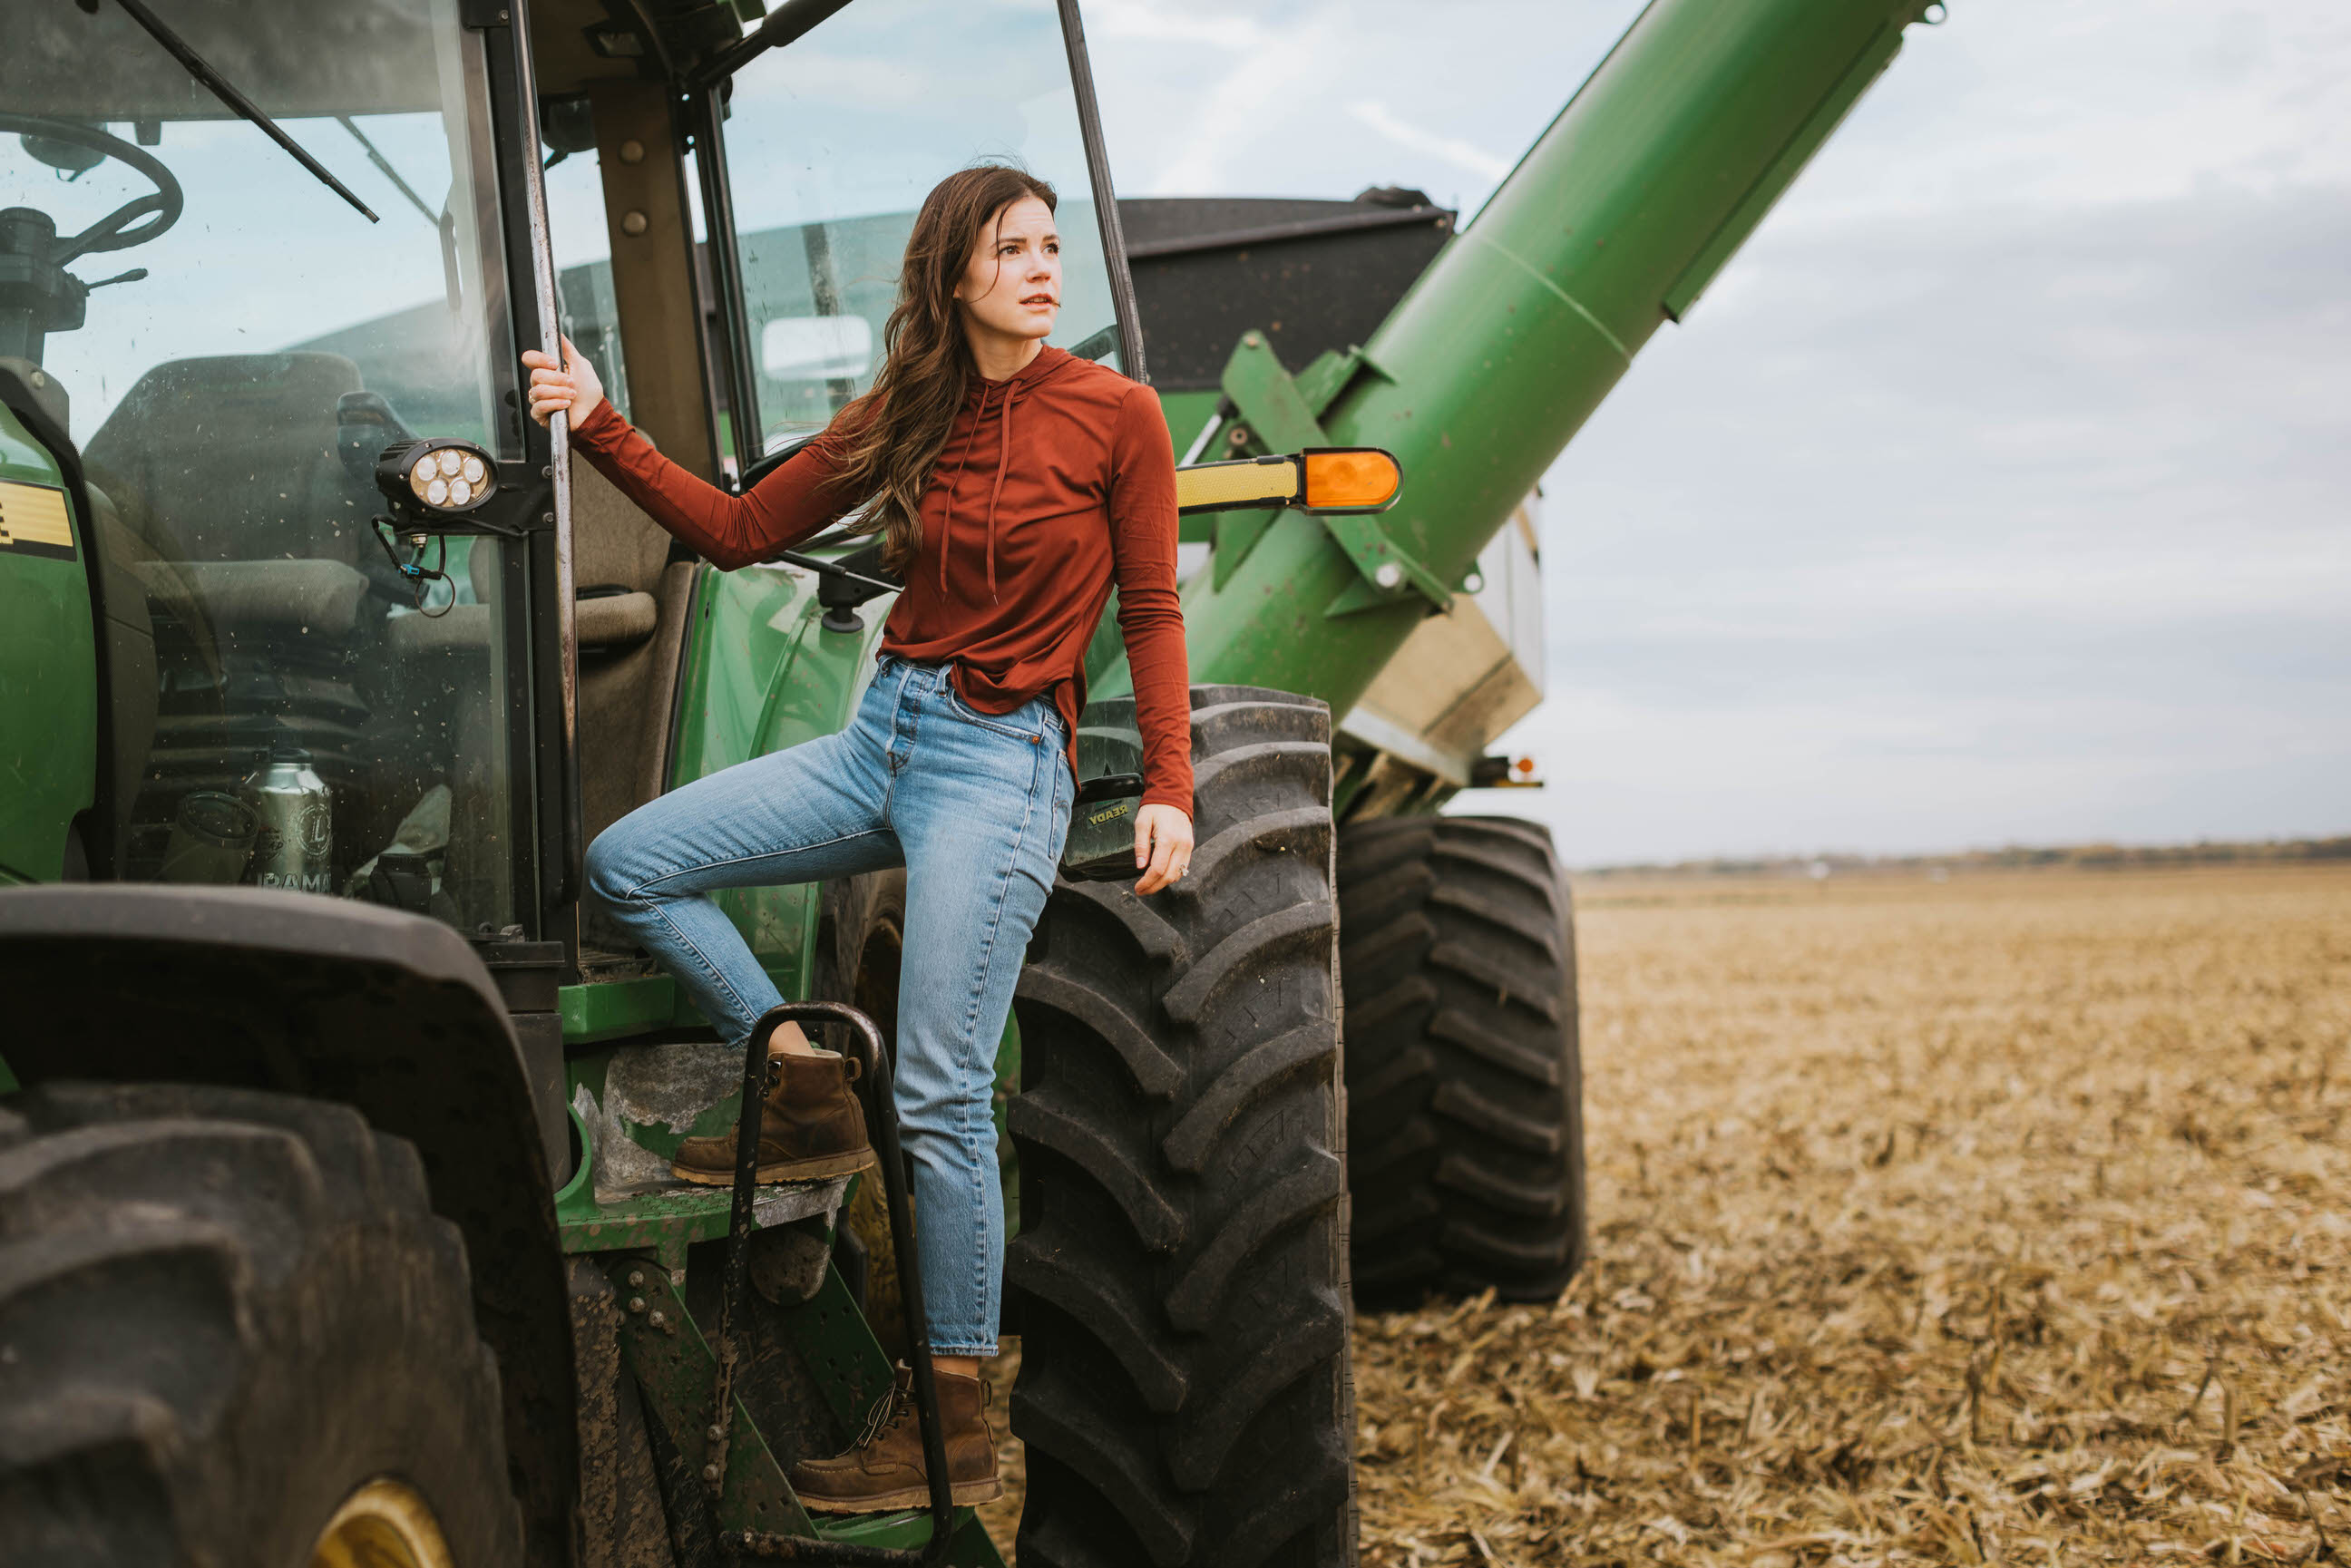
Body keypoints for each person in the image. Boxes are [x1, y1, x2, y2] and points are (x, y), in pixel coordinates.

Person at [523, 162, 1194, 1511]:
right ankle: (802, 1076)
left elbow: (1152, 608)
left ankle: (950, 1424)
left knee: (942, 1091)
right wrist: (597, 420)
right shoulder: (912, 407)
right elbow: (734, 532)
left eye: (1050, 247)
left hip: (1003, 766)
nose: (1043, 269)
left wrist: (1171, 780)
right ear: (953, 274)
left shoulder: (1117, 415)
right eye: (1011, 249)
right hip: (880, 734)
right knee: (629, 865)